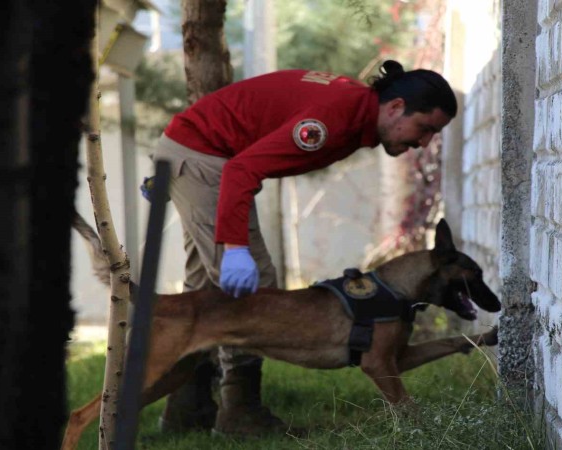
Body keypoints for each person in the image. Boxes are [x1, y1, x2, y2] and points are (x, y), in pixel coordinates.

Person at [143, 59, 457, 436]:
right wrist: (237, 248)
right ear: (395, 107)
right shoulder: (334, 121)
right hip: (207, 157)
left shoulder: (354, 110)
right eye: (425, 128)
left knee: (204, 288)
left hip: (196, 151)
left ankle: (187, 411)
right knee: (252, 292)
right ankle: (240, 412)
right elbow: (241, 170)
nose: (424, 143)